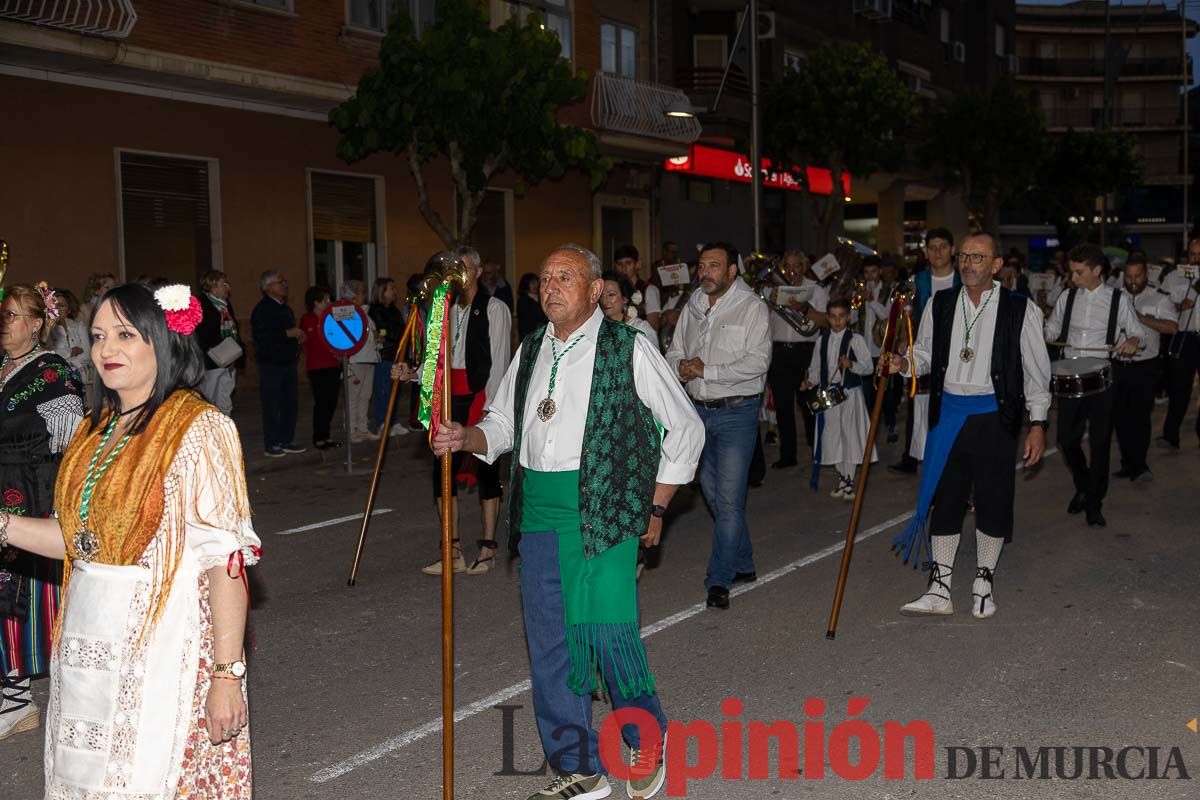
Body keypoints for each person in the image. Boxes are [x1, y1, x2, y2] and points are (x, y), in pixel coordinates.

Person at [430, 243, 703, 800]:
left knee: (606, 636)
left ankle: (646, 738)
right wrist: (467, 437)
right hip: (539, 513)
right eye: (545, 278)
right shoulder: (530, 349)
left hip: (604, 510)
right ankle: (577, 765)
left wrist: (655, 505)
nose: (550, 287)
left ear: (596, 287)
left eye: (565, 277)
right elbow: (502, 422)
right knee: (551, 641)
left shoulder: (627, 346)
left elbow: (686, 427)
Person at [3, 282, 260, 794]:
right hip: (84, 646)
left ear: (162, 340)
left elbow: (224, 561)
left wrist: (227, 676)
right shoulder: (93, 429)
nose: (105, 350)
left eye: (125, 334)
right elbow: (77, 540)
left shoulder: (200, 429)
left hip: (163, 647)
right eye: (98, 336)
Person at [885, 233, 1051, 619]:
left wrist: (1038, 423)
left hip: (994, 416)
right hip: (948, 415)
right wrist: (903, 363)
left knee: (992, 499)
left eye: (978, 257)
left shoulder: (1019, 309)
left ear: (996, 265)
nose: (968, 262)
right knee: (947, 498)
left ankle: (983, 582)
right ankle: (940, 587)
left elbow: (1036, 374)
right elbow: (923, 353)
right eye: (964, 256)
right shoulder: (939, 304)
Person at [0, 285, 85, 741]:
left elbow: (72, 439)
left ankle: (16, 700)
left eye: (10, 315)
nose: (3, 322)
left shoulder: (53, 372)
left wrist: (60, 500)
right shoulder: (1, 368)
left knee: (17, 597)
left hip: (28, 493)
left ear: (36, 323)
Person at [665, 241, 771, 610]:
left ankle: (719, 580)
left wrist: (707, 370)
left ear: (731, 272)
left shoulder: (751, 308)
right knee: (713, 495)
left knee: (728, 501)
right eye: (701, 265)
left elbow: (757, 362)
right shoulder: (693, 305)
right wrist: (680, 366)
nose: (705, 272)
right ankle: (743, 562)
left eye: (714, 265)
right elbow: (675, 349)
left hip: (736, 413)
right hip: (696, 410)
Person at [418, 247, 511, 576]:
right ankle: (451, 549)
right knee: (441, 475)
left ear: (478, 270)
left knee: (487, 471)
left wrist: (493, 409)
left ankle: (487, 548)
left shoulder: (495, 309)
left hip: (479, 395)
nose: (458, 276)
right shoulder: (441, 309)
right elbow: (433, 358)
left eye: (465, 269)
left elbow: (499, 360)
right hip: (447, 398)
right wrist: (413, 375)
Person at [1044, 243, 1146, 527]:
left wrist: (1133, 341)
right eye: (1072, 272)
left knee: (1100, 443)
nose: (1073, 278)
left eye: (1078, 272)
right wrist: (1039, 333)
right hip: (1069, 376)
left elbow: (1137, 332)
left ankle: (1094, 502)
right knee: (1066, 439)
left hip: (1102, 377)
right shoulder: (1067, 296)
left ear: (1097, 270)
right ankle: (1085, 484)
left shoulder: (1118, 299)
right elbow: (1052, 329)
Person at [892, 228, 960, 474]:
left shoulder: (964, 279)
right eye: (932, 247)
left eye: (943, 246)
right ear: (926, 252)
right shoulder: (917, 281)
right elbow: (905, 315)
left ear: (953, 250)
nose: (938, 252)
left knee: (951, 407)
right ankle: (914, 455)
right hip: (924, 352)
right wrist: (903, 340)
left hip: (956, 355)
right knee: (918, 404)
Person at [800, 298, 877, 499]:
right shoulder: (821, 340)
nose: (837, 321)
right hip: (828, 395)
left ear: (848, 317)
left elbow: (869, 367)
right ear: (827, 318)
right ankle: (843, 478)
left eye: (841, 316)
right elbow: (816, 368)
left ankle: (850, 480)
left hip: (849, 394)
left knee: (849, 435)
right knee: (832, 436)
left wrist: (851, 365)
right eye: (833, 317)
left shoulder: (855, 340)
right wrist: (810, 382)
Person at [1113, 256, 1177, 481]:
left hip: (1146, 366)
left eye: (1137, 276)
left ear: (1146, 275)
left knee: (1139, 417)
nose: (1132, 281)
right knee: (1120, 417)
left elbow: (1171, 327)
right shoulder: (1116, 297)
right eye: (1128, 276)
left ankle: (1140, 465)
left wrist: (1140, 318)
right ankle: (1127, 463)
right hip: (1118, 365)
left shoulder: (1158, 299)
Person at [765, 249, 829, 469]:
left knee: (810, 404)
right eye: (788, 266)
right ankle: (787, 455)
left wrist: (804, 308)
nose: (792, 271)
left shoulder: (816, 289)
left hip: (806, 351)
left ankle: (817, 451)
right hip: (780, 351)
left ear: (804, 266)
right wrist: (768, 301)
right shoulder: (772, 290)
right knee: (782, 406)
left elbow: (826, 320)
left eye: (796, 266)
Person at [251, 270, 306, 457]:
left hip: (288, 362)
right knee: (272, 403)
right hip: (271, 364)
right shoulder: (262, 309)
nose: (285, 285)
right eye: (280, 282)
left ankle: (287, 439)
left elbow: (290, 332)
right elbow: (261, 336)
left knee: (289, 403)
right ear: (268, 287)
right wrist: (287, 334)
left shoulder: (286, 308)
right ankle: (272, 443)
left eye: (285, 281)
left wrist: (298, 338)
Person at [1158, 235, 1200, 449]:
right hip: (1185, 337)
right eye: (1193, 254)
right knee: (1179, 389)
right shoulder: (1175, 277)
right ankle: (1170, 434)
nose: (1196, 259)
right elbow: (1161, 305)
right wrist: (1176, 306)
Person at [195, 270, 245, 416]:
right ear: (212, 286)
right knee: (208, 403)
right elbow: (200, 334)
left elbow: (234, 328)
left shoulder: (225, 305)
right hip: (212, 360)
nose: (228, 287)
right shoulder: (200, 304)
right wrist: (211, 349)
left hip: (229, 359)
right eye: (224, 284)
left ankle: (225, 433)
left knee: (225, 402)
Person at [300, 286, 342, 450]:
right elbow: (315, 341)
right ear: (316, 302)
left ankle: (327, 435)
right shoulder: (308, 319)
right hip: (317, 366)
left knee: (331, 402)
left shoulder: (330, 317)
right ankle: (318, 437)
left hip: (332, 364)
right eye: (326, 300)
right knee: (321, 402)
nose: (329, 303)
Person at [339, 280, 380, 443]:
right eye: (362, 292)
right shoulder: (346, 313)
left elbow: (371, 334)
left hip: (369, 358)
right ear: (353, 297)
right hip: (355, 360)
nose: (365, 295)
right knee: (353, 397)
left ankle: (362, 428)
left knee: (365, 396)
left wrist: (376, 337)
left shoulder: (366, 313)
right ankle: (351, 429)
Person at [368, 277, 409, 437]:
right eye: (391, 289)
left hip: (397, 354)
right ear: (381, 292)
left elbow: (401, 330)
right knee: (383, 390)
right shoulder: (375, 311)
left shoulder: (394, 311)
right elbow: (384, 333)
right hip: (384, 355)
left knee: (395, 390)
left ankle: (393, 421)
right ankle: (382, 423)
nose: (394, 292)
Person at [49, 288, 91, 400]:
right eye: (55, 305)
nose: (57, 309)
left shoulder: (79, 326)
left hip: (80, 378)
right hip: (57, 380)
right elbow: (52, 355)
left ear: (68, 309)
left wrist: (71, 363)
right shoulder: (47, 330)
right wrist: (71, 352)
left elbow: (88, 354)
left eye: (61, 305)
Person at [614, 244, 662, 332]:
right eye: (619, 264)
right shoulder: (613, 291)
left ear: (637, 264)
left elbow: (653, 328)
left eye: (628, 263)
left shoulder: (649, 290)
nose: (624, 269)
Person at [600, 271, 656, 338]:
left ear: (624, 299)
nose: (604, 301)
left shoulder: (640, 328)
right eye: (601, 295)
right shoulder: (599, 328)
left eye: (611, 295)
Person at [517, 272, 548, 341]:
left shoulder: (542, 297)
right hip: (530, 336)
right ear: (526, 285)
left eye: (536, 282)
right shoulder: (523, 301)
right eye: (532, 283)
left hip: (543, 334)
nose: (535, 286)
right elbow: (526, 322)